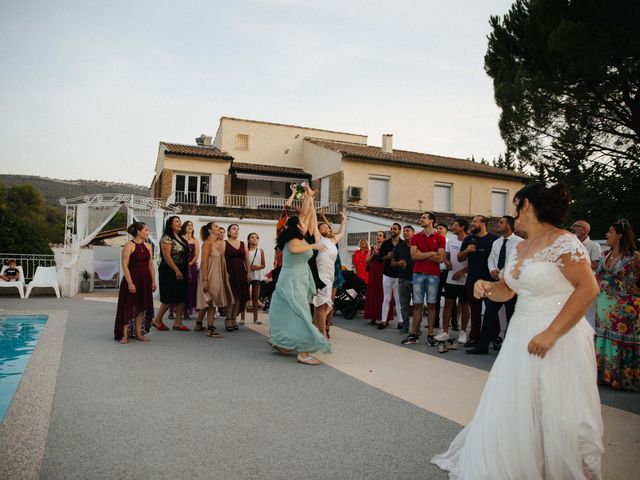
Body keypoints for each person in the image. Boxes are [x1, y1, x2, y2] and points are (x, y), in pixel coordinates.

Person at [432, 182, 603, 479]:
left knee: (555, 408)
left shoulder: (564, 242)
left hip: (558, 336)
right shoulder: (519, 246)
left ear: (528, 205)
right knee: (518, 405)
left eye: (516, 205)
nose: (513, 213)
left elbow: (588, 289)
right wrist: (487, 287)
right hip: (520, 333)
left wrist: (551, 334)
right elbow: (507, 291)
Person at [269, 192, 331, 365]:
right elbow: (296, 250)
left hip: (299, 279)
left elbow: (303, 214)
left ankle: (282, 343)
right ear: (297, 228)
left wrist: (309, 198)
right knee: (302, 313)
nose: (305, 225)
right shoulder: (294, 241)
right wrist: (314, 245)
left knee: (291, 312)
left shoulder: (298, 235)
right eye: (301, 224)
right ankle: (303, 354)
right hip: (293, 281)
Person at [467, 215, 523, 354]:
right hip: (496, 284)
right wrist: (492, 269)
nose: (498, 224)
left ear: (509, 225)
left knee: (512, 317)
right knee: (489, 315)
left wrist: (505, 272)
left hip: (512, 286)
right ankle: (483, 346)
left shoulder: (520, 242)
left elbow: (520, 263)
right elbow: (491, 259)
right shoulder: (497, 243)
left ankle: (511, 348)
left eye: (501, 222)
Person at [595, 219, 640, 391]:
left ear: (619, 236)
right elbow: (597, 277)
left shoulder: (634, 256)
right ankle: (604, 376)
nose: (607, 234)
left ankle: (621, 377)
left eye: (610, 231)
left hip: (626, 306)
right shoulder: (605, 254)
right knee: (603, 338)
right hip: (604, 304)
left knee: (619, 341)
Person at [402, 212, 445, 346]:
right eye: (421, 218)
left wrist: (423, 254)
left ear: (431, 220)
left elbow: (440, 258)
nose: (421, 219)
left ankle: (430, 334)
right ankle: (414, 334)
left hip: (433, 275)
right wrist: (432, 253)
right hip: (418, 274)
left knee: (431, 305)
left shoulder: (440, 238)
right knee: (417, 305)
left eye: (424, 218)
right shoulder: (416, 237)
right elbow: (413, 256)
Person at [457, 215, 499, 347]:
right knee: (475, 310)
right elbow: (459, 258)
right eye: (472, 221)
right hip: (473, 281)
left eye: (475, 221)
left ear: (483, 223)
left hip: (490, 281)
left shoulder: (495, 240)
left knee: (491, 310)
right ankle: (474, 337)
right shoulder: (469, 239)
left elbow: (499, 258)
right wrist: (467, 250)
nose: (472, 223)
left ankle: (494, 337)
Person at [114, 222, 156, 343]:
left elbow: (150, 265)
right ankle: (124, 335)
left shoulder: (148, 246)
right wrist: (130, 283)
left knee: (141, 307)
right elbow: (125, 265)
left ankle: (138, 333)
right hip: (132, 280)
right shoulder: (129, 245)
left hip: (145, 281)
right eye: (146, 230)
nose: (148, 232)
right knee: (128, 306)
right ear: (139, 232)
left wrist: (153, 281)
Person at [311, 209, 347, 337]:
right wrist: (312, 209)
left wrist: (344, 220)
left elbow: (342, 232)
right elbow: (314, 223)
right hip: (321, 275)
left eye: (327, 227)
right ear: (319, 230)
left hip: (331, 275)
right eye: (323, 227)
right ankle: (322, 334)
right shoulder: (318, 238)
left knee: (322, 305)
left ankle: (315, 331)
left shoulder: (333, 240)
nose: (326, 228)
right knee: (322, 304)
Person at [435, 218, 470, 349]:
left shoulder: (470, 241)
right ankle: (444, 332)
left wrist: (461, 272)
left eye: (455, 225)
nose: (452, 227)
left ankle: (463, 332)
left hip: (465, 279)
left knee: (465, 306)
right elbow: (447, 257)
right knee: (448, 304)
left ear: (462, 227)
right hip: (450, 278)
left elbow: (474, 262)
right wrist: (447, 262)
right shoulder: (451, 240)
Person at [195, 222, 234, 337]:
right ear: (210, 230)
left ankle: (199, 324)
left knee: (211, 300)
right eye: (216, 227)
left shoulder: (218, 244)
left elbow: (221, 261)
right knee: (212, 301)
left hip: (217, 274)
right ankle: (210, 329)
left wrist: (225, 273)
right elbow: (204, 261)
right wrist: (205, 279)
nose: (218, 228)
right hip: (209, 275)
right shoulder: (207, 243)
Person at [152, 216, 190, 331]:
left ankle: (178, 322)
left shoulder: (181, 238)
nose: (179, 223)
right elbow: (167, 257)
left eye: (180, 221)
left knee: (181, 296)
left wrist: (187, 271)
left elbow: (185, 257)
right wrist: (176, 270)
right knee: (168, 296)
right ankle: (157, 320)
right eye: (176, 221)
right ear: (170, 224)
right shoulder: (166, 237)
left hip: (182, 268)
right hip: (169, 270)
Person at [572, 219, 602, 327]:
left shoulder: (594, 245)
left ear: (584, 230)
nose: (573, 228)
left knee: (588, 313)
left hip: (587, 283)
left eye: (576, 226)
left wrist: (575, 265)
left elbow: (596, 264)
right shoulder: (571, 243)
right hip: (573, 282)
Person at [169, 220, 199, 320]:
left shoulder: (195, 241)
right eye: (188, 225)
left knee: (190, 288)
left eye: (192, 225)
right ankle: (172, 310)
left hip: (191, 266)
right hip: (180, 265)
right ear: (184, 227)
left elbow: (196, 255)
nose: (190, 227)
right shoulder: (180, 239)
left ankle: (186, 311)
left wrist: (190, 264)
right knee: (177, 288)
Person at [224, 224, 250, 331]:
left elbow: (247, 259)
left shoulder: (243, 244)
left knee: (238, 296)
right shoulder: (224, 243)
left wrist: (249, 273)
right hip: (229, 271)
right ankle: (228, 319)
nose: (236, 231)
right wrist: (225, 272)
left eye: (237, 229)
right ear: (229, 232)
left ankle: (234, 319)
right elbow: (222, 259)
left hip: (240, 272)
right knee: (231, 296)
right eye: (233, 229)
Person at [364, 231, 393, 324]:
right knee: (373, 293)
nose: (378, 237)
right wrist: (373, 254)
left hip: (384, 271)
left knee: (384, 294)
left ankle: (385, 318)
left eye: (380, 235)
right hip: (373, 271)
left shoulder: (387, 247)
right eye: (377, 235)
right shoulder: (372, 248)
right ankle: (373, 317)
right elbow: (367, 260)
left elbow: (390, 258)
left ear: (384, 238)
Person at [378, 223, 403, 330]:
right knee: (386, 298)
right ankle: (383, 321)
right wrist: (387, 256)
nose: (392, 230)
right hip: (387, 273)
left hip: (399, 274)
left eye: (395, 229)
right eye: (391, 229)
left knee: (398, 299)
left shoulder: (403, 244)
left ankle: (401, 322)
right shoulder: (385, 243)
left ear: (399, 230)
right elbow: (379, 259)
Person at [391, 225, 414, 334]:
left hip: (416, 279)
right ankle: (405, 327)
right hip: (403, 279)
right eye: (404, 231)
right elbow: (392, 263)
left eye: (407, 231)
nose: (405, 233)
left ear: (413, 233)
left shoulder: (417, 246)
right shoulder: (399, 247)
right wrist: (398, 263)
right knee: (404, 305)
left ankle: (416, 329)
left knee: (417, 305)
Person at [246, 232, 266, 325]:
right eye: (252, 237)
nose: (254, 239)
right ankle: (242, 318)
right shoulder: (245, 250)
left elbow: (263, 265)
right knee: (245, 297)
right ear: (249, 239)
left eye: (256, 237)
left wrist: (257, 267)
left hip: (257, 276)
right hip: (247, 275)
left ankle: (255, 318)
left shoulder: (260, 251)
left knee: (255, 297)